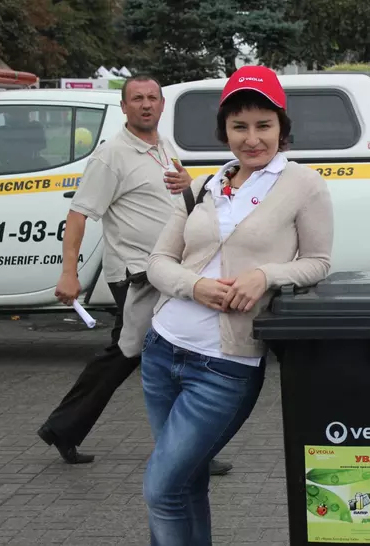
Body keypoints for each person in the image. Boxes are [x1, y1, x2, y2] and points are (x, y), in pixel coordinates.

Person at [140, 65, 333, 545]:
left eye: (264, 125)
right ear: (224, 130)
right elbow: (158, 262)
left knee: (161, 489)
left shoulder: (303, 185)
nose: (252, 138)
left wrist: (265, 275)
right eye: (239, 126)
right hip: (161, 351)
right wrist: (194, 287)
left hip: (224, 367)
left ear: (282, 127)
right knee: (186, 483)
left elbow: (318, 262)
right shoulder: (206, 184)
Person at [38, 74, 234, 477]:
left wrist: (189, 185)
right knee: (171, 353)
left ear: (162, 104)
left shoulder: (163, 146)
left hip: (167, 269)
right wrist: (69, 274)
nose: (146, 104)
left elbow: (175, 201)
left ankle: (63, 428)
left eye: (152, 98)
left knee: (126, 353)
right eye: (137, 99)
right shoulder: (111, 155)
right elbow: (78, 215)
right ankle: (190, 450)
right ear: (124, 107)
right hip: (138, 275)